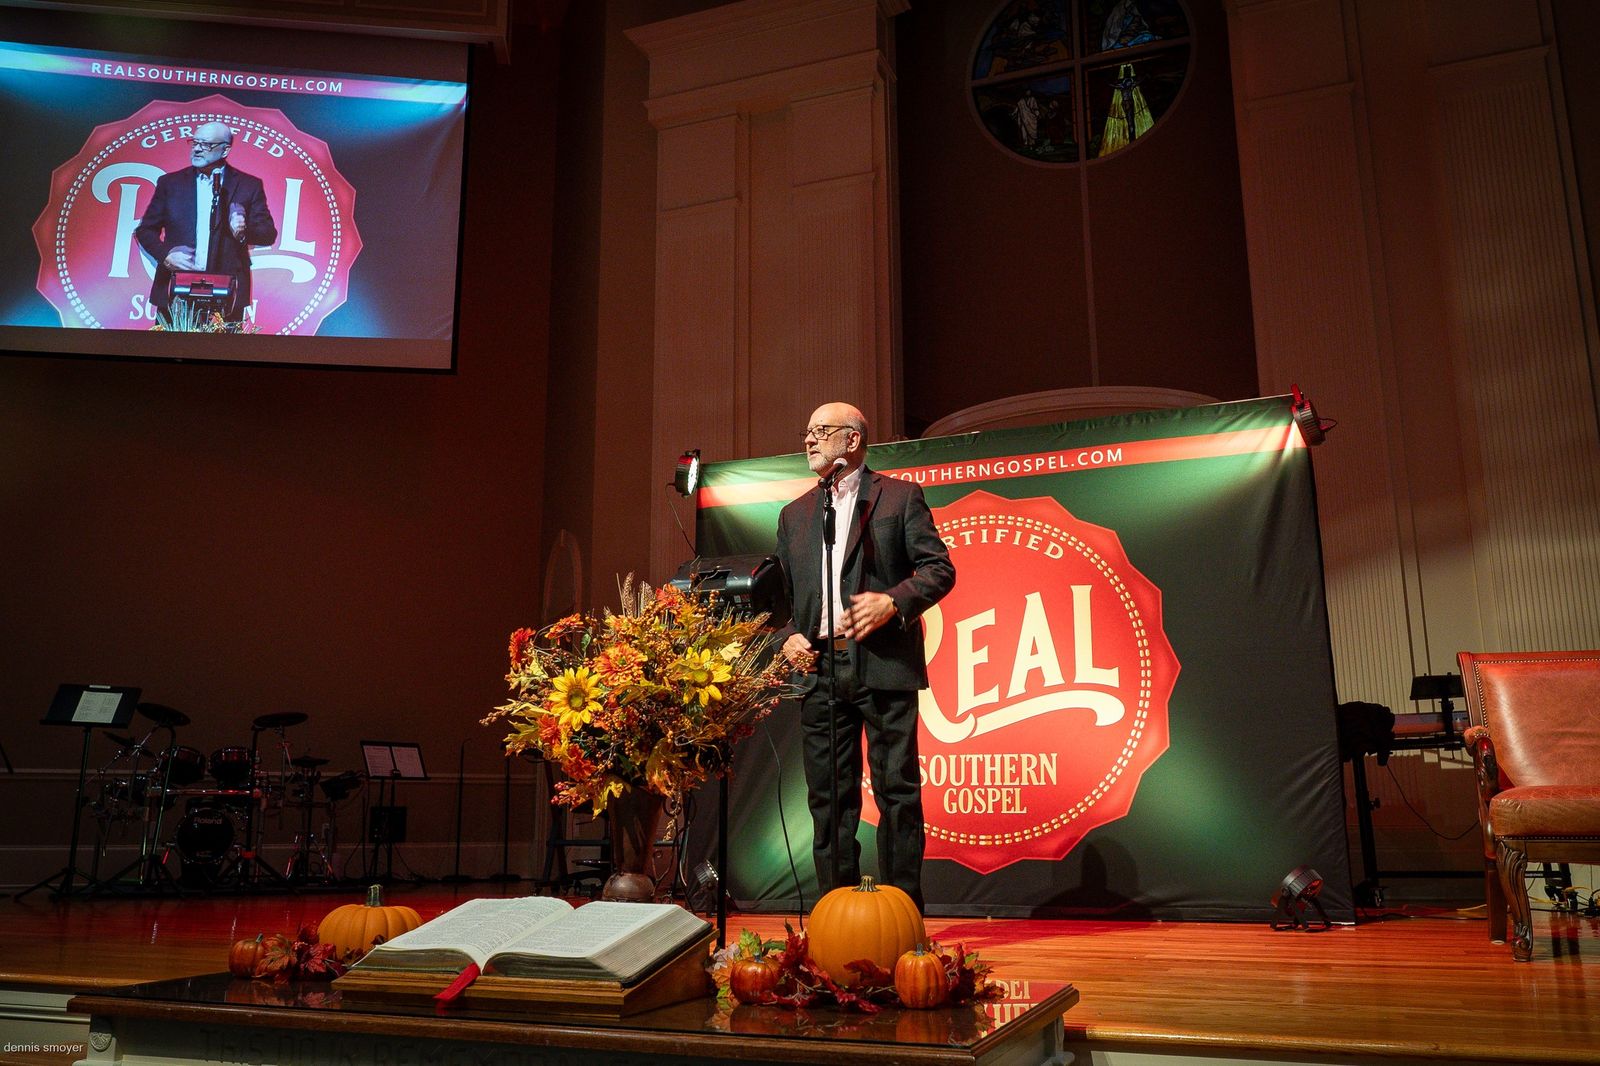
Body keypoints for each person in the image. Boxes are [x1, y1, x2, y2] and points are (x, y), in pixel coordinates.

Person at [773, 402, 956, 912]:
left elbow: (939, 569)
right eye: (807, 431)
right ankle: (836, 914)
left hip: (883, 662)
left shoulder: (899, 497)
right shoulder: (795, 514)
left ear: (852, 440)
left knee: (897, 793)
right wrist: (787, 635)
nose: (809, 440)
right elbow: (779, 599)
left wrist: (892, 601)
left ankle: (902, 915)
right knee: (829, 799)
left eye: (821, 431)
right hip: (819, 670)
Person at [135, 121, 276, 324]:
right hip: (176, 287)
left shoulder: (248, 185)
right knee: (169, 343)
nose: (197, 149)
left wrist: (244, 231)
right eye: (194, 142)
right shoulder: (171, 183)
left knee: (223, 344)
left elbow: (268, 234)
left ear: (225, 149)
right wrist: (165, 256)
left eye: (206, 144)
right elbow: (145, 230)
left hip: (227, 291)